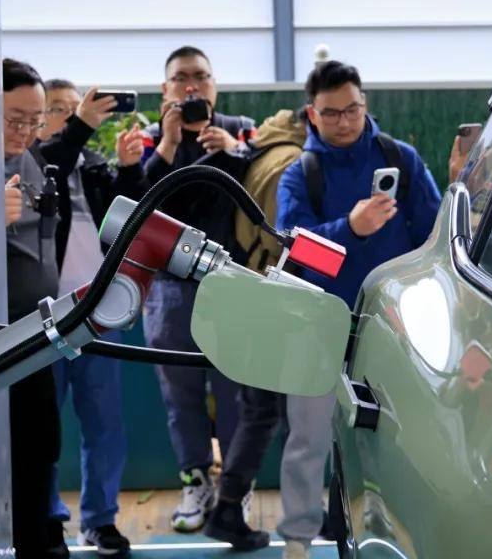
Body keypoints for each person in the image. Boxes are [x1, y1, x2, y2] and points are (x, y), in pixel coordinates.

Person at [273, 59, 442, 558]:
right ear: (312, 113)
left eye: (352, 109)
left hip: (394, 325)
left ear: (365, 104)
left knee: (400, 438)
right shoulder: (299, 175)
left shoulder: (401, 159)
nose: (344, 121)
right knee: (307, 439)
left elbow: (433, 233)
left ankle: (401, 536)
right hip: (317, 323)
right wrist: (351, 228)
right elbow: (296, 250)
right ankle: (298, 540)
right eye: (331, 113)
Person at [139, 46, 256, 532]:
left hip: (232, 285)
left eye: (201, 77)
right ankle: (195, 483)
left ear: (215, 84)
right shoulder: (150, 139)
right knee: (180, 397)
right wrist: (167, 144)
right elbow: (138, 207)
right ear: (165, 89)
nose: (192, 86)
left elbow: (261, 196)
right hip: (169, 290)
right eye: (181, 78)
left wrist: (234, 152)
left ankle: (235, 490)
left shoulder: (241, 130)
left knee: (236, 396)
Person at [35, 78, 146, 555]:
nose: (69, 116)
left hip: (96, 319)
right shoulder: (35, 162)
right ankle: (46, 521)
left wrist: (129, 169)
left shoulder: (95, 167)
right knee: (42, 432)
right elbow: (55, 159)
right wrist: (80, 125)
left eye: (72, 108)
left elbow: (129, 224)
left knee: (105, 428)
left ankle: (100, 520)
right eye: (58, 109)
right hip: (43, 321)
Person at [204, 108, 309, 551]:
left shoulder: (262, 152)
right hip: (278, 299)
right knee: (292, 414)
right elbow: (283, 239)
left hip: (251, 293)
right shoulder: (291, 163)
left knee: (261, 410)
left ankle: (229, 508)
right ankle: (303, 516)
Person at [1, 58, 67, 559]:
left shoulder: (35, 164)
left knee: (43, 443)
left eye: (35, 120)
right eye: (15, 119)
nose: (25, 131)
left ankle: (42, 536)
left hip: (38, 334)